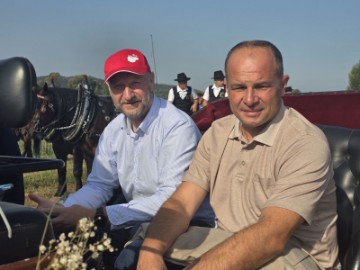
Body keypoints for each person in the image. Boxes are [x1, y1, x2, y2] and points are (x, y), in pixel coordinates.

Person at [137, 40, 340, 269]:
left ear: (282, 86)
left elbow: (271, 236)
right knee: (149, 236)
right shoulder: (217, 133)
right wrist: (150, 254)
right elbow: (182, 203)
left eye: (262, 86)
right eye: (239, 87)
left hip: (294, 257)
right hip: (233, 239)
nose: (250, 99)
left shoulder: (304, 142)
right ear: (227, 88)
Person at [29, 49, 214, 269]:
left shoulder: (176, 127)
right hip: (136, 219)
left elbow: (172, 199)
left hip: (184, 223)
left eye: (135, 83)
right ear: (109, 89)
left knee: (125, 263)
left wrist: (97, 215)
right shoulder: (114, 130)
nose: (128, 95)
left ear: (151, 81)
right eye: (118, 87)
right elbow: (99, 185)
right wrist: (62, 209)